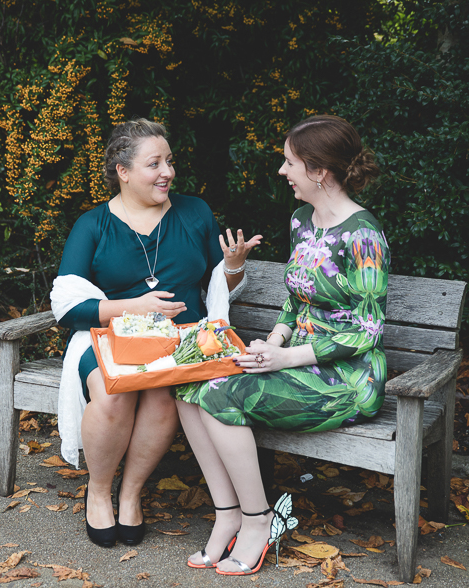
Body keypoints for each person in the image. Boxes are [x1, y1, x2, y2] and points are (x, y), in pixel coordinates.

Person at [175, 115, 390, 575]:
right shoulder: (302, 220)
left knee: (218, 394)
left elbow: (368, 331)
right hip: (295, 359)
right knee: (188, 389)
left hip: (348, 377)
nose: (282, 171)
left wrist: (286, 356)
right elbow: (296, 301)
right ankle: (227, 513)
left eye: (289, 162)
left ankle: (257, 520)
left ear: (319, 171)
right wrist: (272, 339)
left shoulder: (363, 237)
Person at [50, 118, 262, 548]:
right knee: (113, 394)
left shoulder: (194, 212)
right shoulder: (93, 225)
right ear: (123, 172)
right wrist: (134, 307)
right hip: (113, 337)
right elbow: (68, 306)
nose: (167, 171)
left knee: (165, 396)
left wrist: (235, 265)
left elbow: (219, 282)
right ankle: (99, 492)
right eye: (154, 163)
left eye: (169, 161)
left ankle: (130, 494)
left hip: (183, 340)